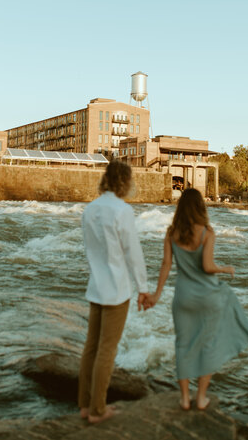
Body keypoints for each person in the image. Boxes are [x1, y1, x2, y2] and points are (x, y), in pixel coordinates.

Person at [146, 188, 248, 410]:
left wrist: (156, 294)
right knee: (208, 345)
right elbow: (207, 267)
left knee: (183, 345)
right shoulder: (207, 233)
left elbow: (166, 265)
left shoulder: (171, 233)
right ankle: (201, 397)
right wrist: (225, 268)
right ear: (200, 207)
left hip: (184, 297)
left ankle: (185, 399)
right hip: (207, 297)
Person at [78, 160, 150, 424]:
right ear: (124, 182)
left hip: (96, 286)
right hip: (117, 289)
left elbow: (89, 250)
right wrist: (143, 288)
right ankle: (98, 410)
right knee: (107, 350)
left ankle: (85, 406)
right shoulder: (122, 211)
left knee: (90, 348)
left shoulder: (90, 209)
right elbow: (133, 253)